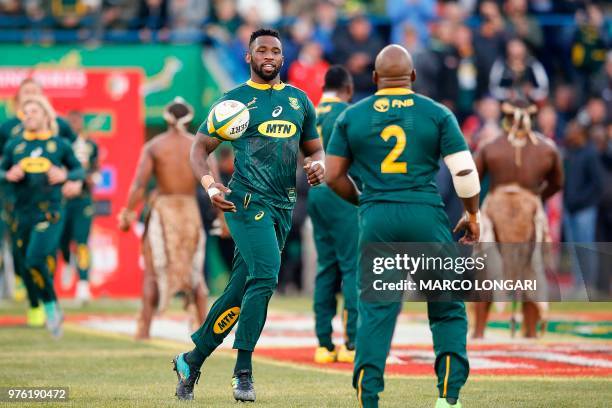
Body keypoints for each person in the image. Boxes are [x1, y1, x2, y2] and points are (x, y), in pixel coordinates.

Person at [172, 28, 324, 402]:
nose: (268, 55)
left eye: (275, 50)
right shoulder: (233, 103)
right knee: (267, 275)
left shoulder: (300, 101)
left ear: (283, 58)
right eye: (261, 50)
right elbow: (199, 148)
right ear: (249, 57)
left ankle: (191, 360)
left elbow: (314, 150)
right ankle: (243, 372)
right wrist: (210, 185)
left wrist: (317, 166)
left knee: (240, 291)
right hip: (245, 202)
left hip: (283, 206)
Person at [326, 45, 480, 408]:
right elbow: (464, 173)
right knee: (446, 305)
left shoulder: (352, 116)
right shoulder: (437, 113)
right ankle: (448, 396)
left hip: (378, 217)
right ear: (412, 78)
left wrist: (365, 201)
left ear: (376, 79)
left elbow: (332, 176)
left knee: (377, 310)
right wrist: (472, 214)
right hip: (425, 215)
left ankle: (369, 397)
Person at [118, 97, 209, 340]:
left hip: (164, 210)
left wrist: (127, 213)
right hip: (190, 212)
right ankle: (206, 332)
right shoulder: (198, 146)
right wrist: (223, 219)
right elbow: (214, 185)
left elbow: (139, 185)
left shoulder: (155, 146)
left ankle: (144, 331)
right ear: (189, 119)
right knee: (195, 274)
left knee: (152, 273)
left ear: (167, 119)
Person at [473, 100, 564, 338]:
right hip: (509, 214)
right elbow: (557, 183)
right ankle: (525, 331)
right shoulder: (547, 148)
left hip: (514, 213)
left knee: (521, 269)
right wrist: (535, 197)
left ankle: (481, 331)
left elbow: (470, 181)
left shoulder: (490, 146)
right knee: (517, 270)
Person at [0, 95, 85, 338]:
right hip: (20, 213)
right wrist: (8, 174)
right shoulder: (14, 145)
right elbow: (1, 170)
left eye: (34, 111)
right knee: (25, 266)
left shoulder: (59, 145)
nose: (28, 116)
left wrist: (66, 175)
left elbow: (78, 169)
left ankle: (50, 307)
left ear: (46, 115)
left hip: (50, 211)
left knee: (35, 259)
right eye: (25, 112)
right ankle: (47, 305)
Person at [308, 65, 357, 364]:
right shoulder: (348, 113)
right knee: (352, 266)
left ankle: (323, 344)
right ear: (348, 88)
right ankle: (352, 343)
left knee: (326, 267)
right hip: (341, 189)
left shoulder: (310, 114)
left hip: (315, 191)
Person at [59, 110, 99, 304]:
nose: (75, 125)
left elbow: (97, 168)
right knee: (61, 240)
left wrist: (92, 177)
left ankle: (83, 284)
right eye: (71, 122)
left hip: (82, 199)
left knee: (82, 242)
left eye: (77, 121)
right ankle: (67, 262)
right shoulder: (60, 143)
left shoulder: (90, 145)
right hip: (62, 198)